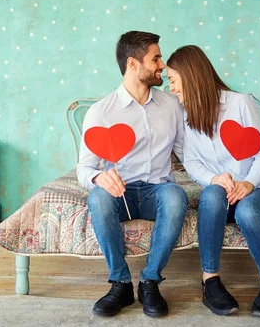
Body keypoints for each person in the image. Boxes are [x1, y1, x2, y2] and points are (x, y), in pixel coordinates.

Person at [77, 31, 188, 318]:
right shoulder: (100, 112)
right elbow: (84, 168)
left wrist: (219, 173)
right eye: (156, 58)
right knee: (98, 198)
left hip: (157, 191)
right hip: (120, 193)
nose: (162, 65)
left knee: (176, 196)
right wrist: (98, 178)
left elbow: (189, 154)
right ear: (133, 64)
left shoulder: (172, 106)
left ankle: (150, 280)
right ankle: (121, 283)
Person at [166, 45, 260, 318]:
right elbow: (191, 162)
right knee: (211, 194)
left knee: (247, 209)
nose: (170, 88)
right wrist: (214, 178)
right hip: (220, 195)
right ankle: (210, 281)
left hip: (257, 191)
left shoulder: (240, 103)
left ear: (190, 75)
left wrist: (248, 184)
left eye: (172, 80)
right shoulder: (184, 116)